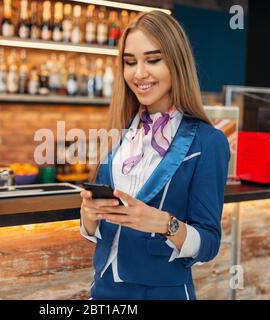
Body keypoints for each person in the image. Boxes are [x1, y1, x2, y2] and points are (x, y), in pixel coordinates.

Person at [79, 11, 230, 300]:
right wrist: (88, 216)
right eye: (130, 62)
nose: (139, 74)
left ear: (176, 63)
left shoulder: (208, 142)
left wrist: (163, 224)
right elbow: (98, 229)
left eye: (153, 60)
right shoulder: (117, 133)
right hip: (104, 290)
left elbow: (209, 244)